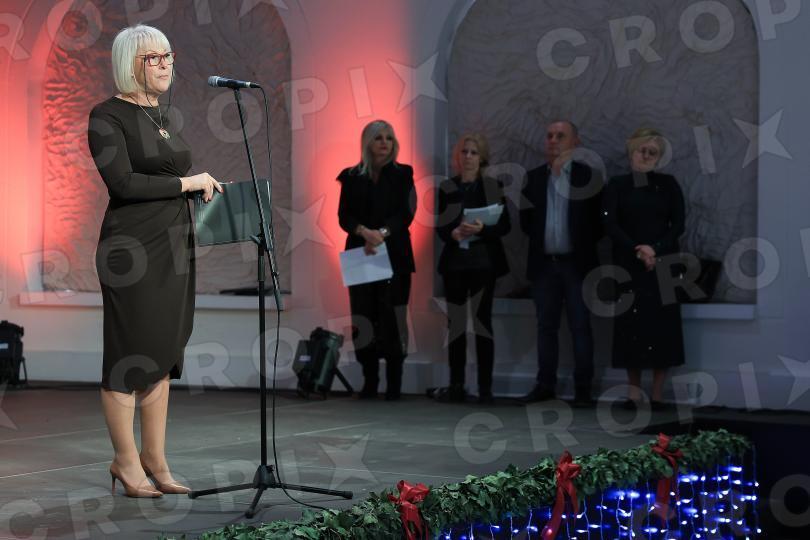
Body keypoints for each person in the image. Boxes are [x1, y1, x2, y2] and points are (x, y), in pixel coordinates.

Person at [87, 24, 222, 497]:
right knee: (129, 356)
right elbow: (123, 183)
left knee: (163, 354)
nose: (166, 65)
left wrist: (201, 188)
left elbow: (166, 178)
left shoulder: (162, 113)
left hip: (173, 246)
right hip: (131, 252)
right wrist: (187, 182)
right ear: (130, 63)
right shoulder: (106, 116)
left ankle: (155, 461)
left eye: (168, 55)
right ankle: (125, 462)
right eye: (154, 58)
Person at [519, 120, 603, 407]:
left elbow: (598, 223)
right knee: (546, 326)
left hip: (576, 265)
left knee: (580, 326)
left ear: (575, 142)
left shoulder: (587, 177)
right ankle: (545, 385)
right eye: (549, 135)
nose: (553, 140)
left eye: (560, 136)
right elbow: (526, 222)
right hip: (544, 265)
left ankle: (583, 389)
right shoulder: (533, 178)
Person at [602, 128, 685, 410]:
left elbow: (678, 224)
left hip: (663, 265)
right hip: (629, 265)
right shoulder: (617, 185)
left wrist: (655, 249)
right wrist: (637, 249)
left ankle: (658, 394)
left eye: (653, 152)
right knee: (631, 327)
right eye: (643, 151)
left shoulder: (669, 184)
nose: (647, 156)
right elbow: (610, 223)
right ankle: (634, 393)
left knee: (664, 328)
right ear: (632, 152)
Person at [337, 120, 416, 401]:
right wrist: (364, 232)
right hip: (361, 255)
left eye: (389, 138)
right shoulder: (350, 176)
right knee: (364, 319)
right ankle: (370, 381)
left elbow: (406, 212)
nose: (384, 143)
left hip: (395, 255)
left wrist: (381, 233)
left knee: (393, 318)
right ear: (367, 142)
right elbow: (344, 216)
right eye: (378, 138)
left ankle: (394, 384)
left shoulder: (404, 174)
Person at [432, 133, 510, 404]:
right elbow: (441, 226)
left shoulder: (492, 186)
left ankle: (485, 388)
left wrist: (482, 228)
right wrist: (452, 233)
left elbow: (505, 226)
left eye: (474, 153)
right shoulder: (447, 187)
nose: (468, 157)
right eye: (464, 152)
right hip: (455, 263)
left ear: (482, 157)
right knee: (455, 325)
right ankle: (456, 384)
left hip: (483, 263)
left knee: (481, 323)